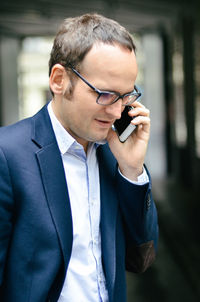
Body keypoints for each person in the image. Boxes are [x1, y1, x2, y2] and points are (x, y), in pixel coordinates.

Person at [0, 13, 158, 302]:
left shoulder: (116, 154)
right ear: (59, 80)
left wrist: (132, 169)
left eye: (126, 96)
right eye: (105, 94)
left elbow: (141, 259)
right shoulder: (6, 154)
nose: (116, 112)